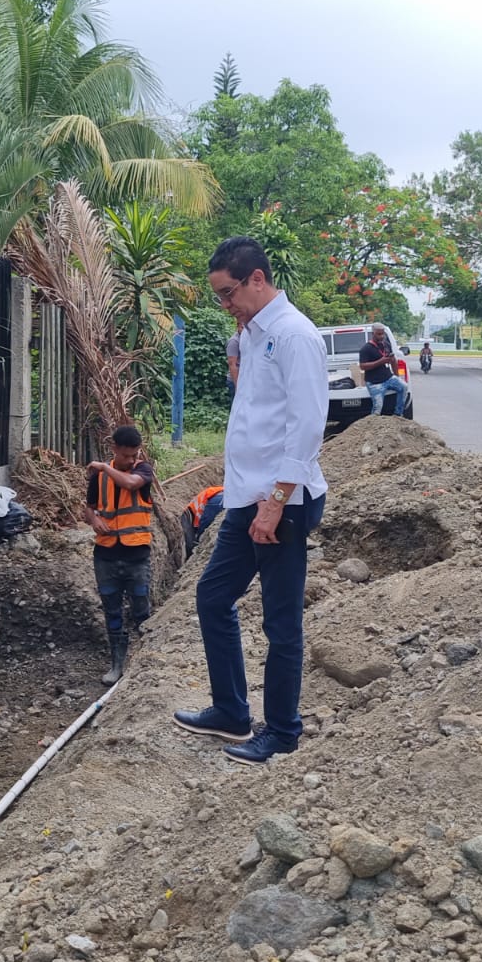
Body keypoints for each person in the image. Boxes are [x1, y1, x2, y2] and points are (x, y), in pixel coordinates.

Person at [173, 237, 328, 765]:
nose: (225, 304)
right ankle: (231, 710)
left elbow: (307, 427)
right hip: (249, 499)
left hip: (282, 502)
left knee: (281, 623)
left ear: (257, 278)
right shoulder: (256, 334)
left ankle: (282, 731)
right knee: (214, 597)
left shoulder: (293, 336)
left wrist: (276, 501)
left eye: (228, 293)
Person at [83, 425, 155, 685]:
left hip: (137, 555)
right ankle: (117, 664)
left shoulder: (143, 470)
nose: (132, 460)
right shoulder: (99, 479)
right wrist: (94, 521)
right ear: (114, 449)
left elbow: (129, 483)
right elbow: (89, 509)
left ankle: (147, 662)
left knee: (141, 609)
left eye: (135, 454)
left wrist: (104, 467)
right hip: (106, 555)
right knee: (112, 611)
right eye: (126, 456)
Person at [359, 324, 408, 416]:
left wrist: (397, 376)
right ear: (372, 334)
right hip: (374, 382)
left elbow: (393, 360)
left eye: (382, 334)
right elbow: (362, 366)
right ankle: (373, 425)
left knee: (404, 387)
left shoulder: (386, 345)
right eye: (378, 334)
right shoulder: (366, 349)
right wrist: (380, 361)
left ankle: (398, 414)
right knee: (378, 407)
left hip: (388, 378)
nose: (381, 336)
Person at [181, 485, 225, 558]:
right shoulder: (219, 502)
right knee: (191, 546)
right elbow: (206, 523)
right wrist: (200, 539)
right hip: (190, 514)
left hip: (210, 506)